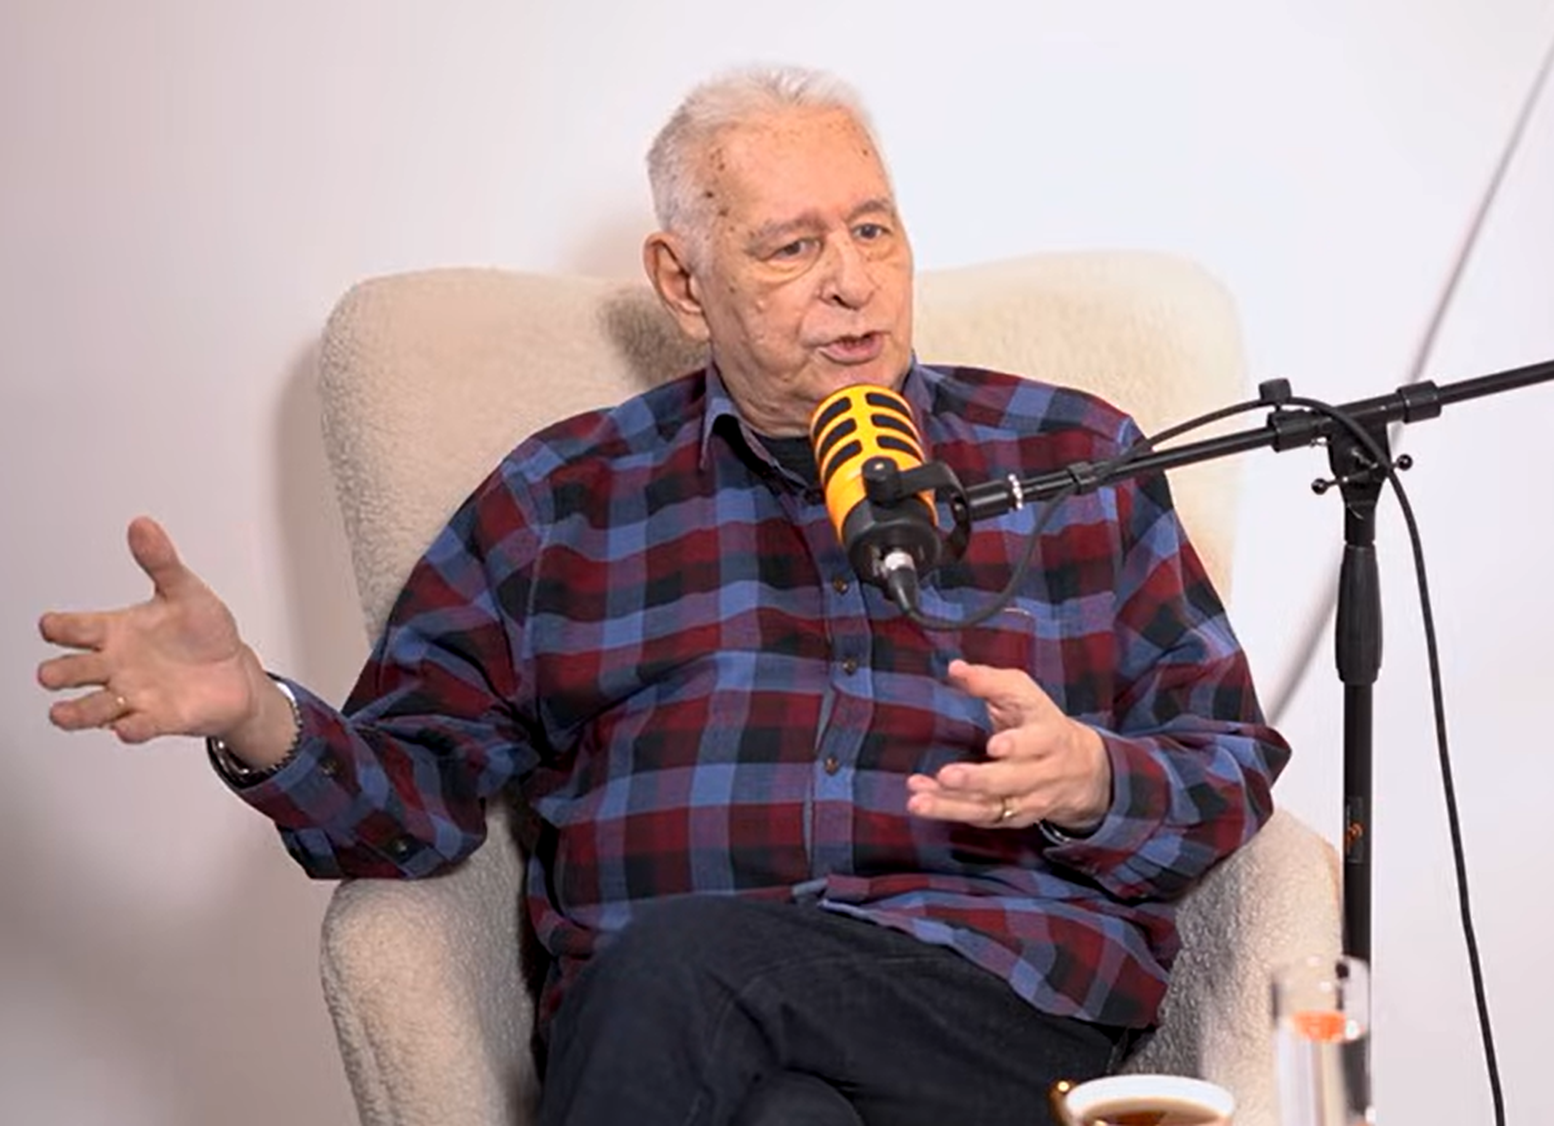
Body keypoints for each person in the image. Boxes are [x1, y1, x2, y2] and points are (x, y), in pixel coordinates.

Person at [35, 64, 1290, 1126]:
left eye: (873, 229)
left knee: (686, 967)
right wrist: (257, 716)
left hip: (987, 1007)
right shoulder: (563, 498)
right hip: (677, 1044)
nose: (852, 281)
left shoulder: (1065, 458)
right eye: (792, 246)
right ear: (684, 283)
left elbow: (1228, 761)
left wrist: (1096, 780)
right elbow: (408, 811)